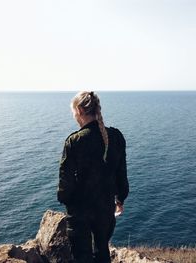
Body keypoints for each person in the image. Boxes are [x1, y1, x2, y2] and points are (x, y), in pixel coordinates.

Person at [57, 91, 129, 263]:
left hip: (80, 214)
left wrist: (66, 201)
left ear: (80, 110)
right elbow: (121, 174)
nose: (73, 114)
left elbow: (64, 186)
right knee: (102, 252)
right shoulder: (116, 136)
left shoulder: (74, 141)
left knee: (82, 258)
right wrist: (120, 199)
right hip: (105, 210)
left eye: (73, 111)